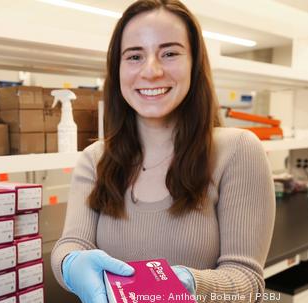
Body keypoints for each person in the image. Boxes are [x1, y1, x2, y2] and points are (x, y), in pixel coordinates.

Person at [50, 0, 276, 303]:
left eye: (169, 53)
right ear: (117, 70)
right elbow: (72, 243)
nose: (151, 71)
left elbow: (248, 281)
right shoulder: (95, 158)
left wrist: (188, 282)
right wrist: (69, 263)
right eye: (134, 56)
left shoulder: (237, 151)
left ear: (194, 63)